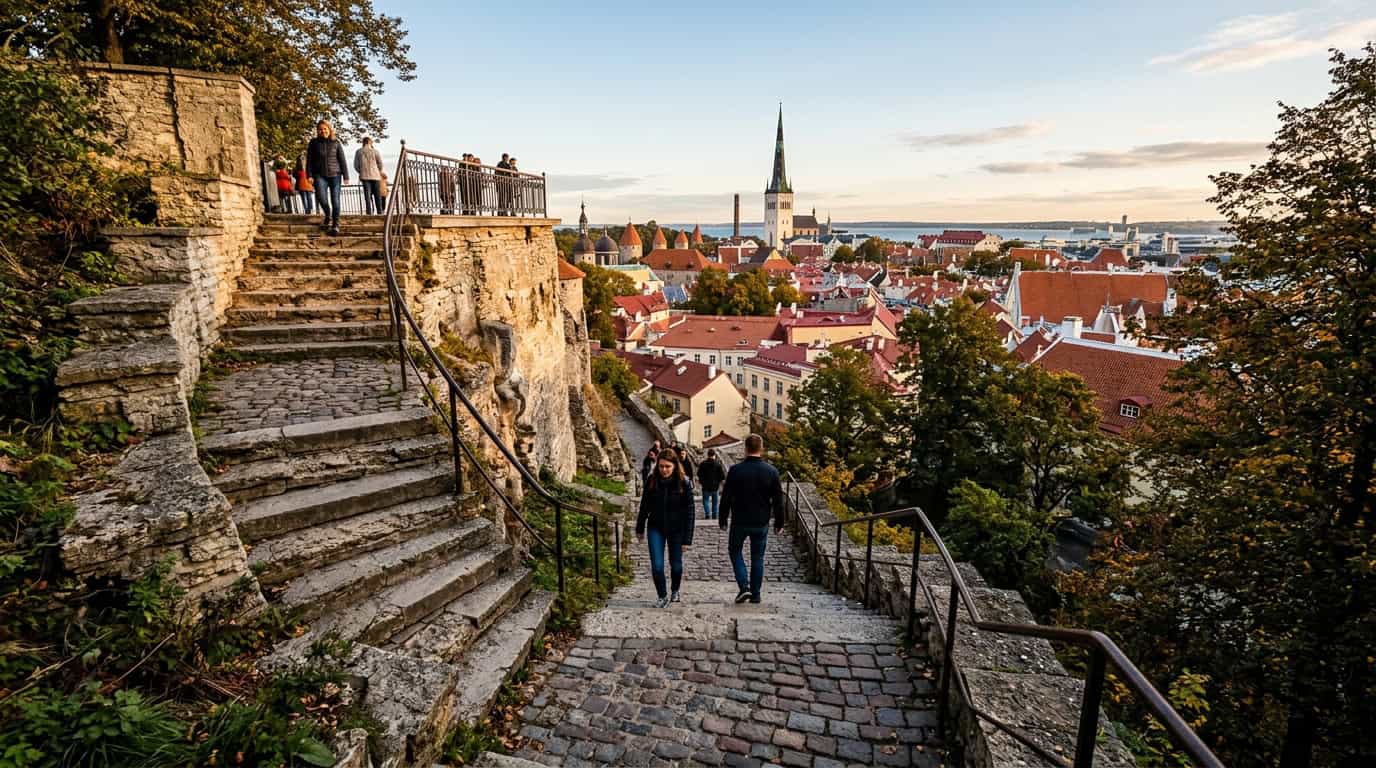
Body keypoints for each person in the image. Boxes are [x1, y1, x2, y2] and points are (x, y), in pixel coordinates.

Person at [718, 434, 784, 604]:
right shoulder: (771, 471)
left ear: (745, 448)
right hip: (761, 521)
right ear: (761, 448)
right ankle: (755, 594)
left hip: (739, 520)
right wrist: (779, 522)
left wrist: (722, 518)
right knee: (758, 557)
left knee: (735, 551)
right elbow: (778, 500)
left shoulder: (735, 470)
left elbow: (726, 497)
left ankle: (744, 587)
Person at [636, 447, 695, 607]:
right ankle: (662, 596)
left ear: (675, 465)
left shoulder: (684, 482)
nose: (664, 470)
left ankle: (675, 590)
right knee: (657, 565)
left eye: (668, 466)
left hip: (677, 529)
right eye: (661, 466)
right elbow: (644, 506)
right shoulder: (652, 480)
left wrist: (687, 539)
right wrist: (640, 528)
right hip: (656, 527)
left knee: (676, 565)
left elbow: (690, 511)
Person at [306, 120, 349, 234]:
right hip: (319, 175)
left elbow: (342, 160)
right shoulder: (313, 143)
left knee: (336, 200)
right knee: (321, 198)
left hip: (335, 175)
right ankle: (328, 213)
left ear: (329, 130)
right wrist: (309, 175)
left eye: (325, 129)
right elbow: (309, 160)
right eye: (320, 129)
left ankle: (335, 225)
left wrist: (346, 176)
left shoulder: (336, 142)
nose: (323, 131)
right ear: (317, 131)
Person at [354, 137, 385, 214]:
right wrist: (378, 171)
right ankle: (380, 212)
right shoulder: (375, 151)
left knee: (367, 196)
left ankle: (369, 212)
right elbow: (380, 164)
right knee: (377, 195)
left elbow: (356, 165)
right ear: (370, 142)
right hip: (376, 176)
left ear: (363, 142)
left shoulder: (358, 151)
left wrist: (361, 171)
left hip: (364, 176)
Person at [697, 449, 726, 520]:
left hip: (705, 486)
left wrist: (702, 482)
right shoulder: (718, 464)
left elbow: (699, 474)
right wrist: (718, 481)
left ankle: (707, 514)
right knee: (715, 502)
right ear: (714, 455)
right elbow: (722, 476)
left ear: (708, 455)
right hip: (715, 487)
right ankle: (714, 515)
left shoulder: (703, 464)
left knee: (706, 501)